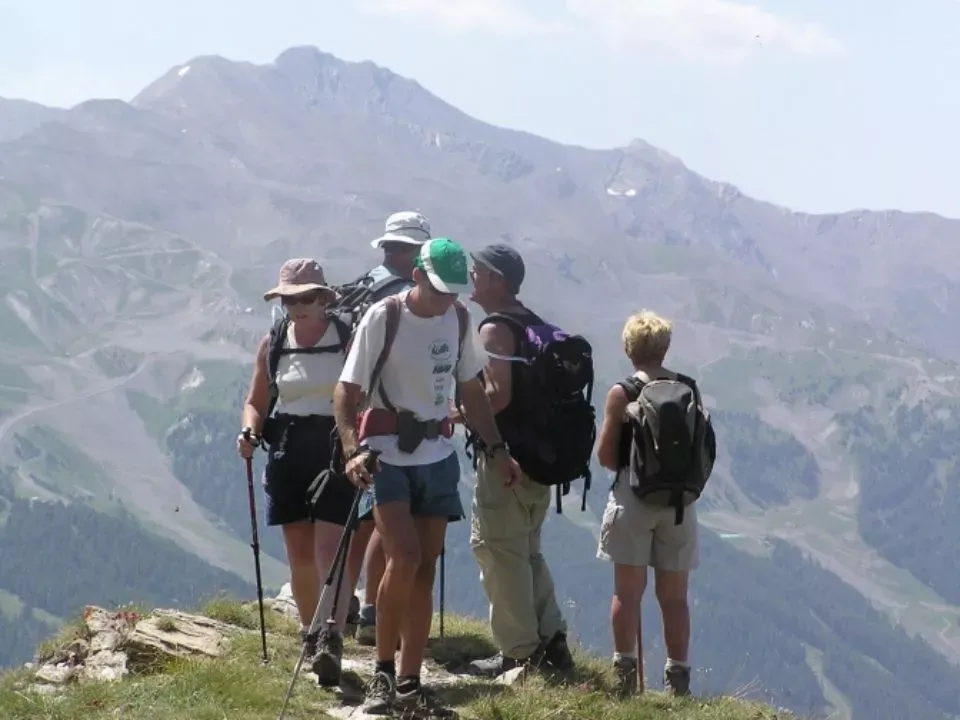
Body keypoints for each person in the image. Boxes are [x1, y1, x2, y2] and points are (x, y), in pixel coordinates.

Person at [333, 237, 523, 717]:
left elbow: (471, 389)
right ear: (417, 276)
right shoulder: (385, 316)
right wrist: (351, 451)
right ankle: (382, 669)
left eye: (455, 291)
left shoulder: (458, 319)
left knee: (424, 567)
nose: (449, 299)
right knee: (405, 555)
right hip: (386, 455)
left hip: (437, 456)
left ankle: (409, 681)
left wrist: (499, 450)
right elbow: (347, 390)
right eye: (441, 289)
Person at [236, 257, 358, 687]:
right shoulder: (274, 342)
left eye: (305, 297)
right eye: (288, 299)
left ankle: (332, 636)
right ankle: (311, 635)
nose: (296, 306)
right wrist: (250, 431)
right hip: (286, 448)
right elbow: (256, 400)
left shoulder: (348, 339)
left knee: (330, 548)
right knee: (299, 553)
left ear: (324, 297)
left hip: (334, 447)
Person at [460, 244, 574, 677]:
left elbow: (498, 395)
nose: (472, 278)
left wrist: (459, 407)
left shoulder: (494, 329)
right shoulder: (537, 325)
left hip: (505, 457)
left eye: (477, 272)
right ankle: (552, 640)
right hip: (541, 460)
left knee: (496, 549)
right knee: (527, 552)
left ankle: (518, 654)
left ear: (496, 280)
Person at [595, 310, 701, 698]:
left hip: (634, 498)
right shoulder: (688, 388)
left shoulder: (622, 393)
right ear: (665, 347)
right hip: (678, 503)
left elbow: (607, 455)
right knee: (674, 597)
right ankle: (679, 683)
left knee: (628, 593)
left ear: (629, 349)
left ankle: (625, 681)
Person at [345, 210, 432, 648]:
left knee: (365, 519)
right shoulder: (402, 298)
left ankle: (350, 609)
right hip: (391, 428)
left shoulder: (365, 285)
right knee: (388, 524)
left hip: (352, 418)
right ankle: (374, 614)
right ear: (418, 253)